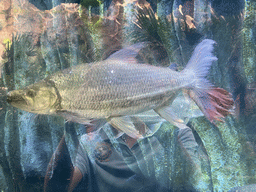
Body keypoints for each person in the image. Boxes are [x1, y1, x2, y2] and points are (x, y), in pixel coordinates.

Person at [67, 119, 201, 192]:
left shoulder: (175, 131)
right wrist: (67, 133)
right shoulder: (90, 140)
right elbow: (61, 185)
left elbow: (200, 180)